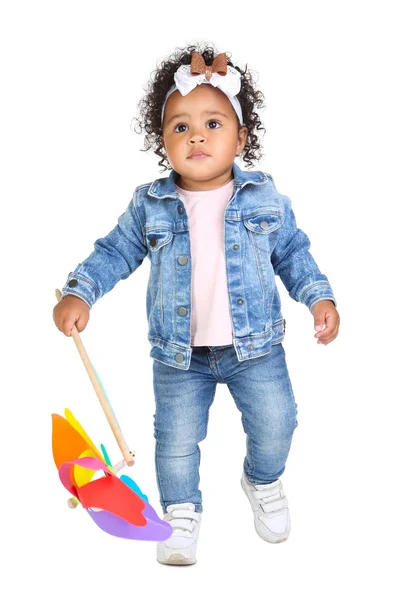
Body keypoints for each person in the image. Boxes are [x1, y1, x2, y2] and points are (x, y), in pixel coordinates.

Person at [53, 43, 340, 566]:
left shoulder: (264, 198)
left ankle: (263, 479)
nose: (198, 135)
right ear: (163, 143)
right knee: (176, 440)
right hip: (179, 357)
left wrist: (318, 297)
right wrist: (80, 290)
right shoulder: (151, 203)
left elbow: (294, 253)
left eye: (213, 122)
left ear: (241, 138)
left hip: (256, 349)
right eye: (181, 127)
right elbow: (115, 252)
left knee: (279, 420)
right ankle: (181, 510)